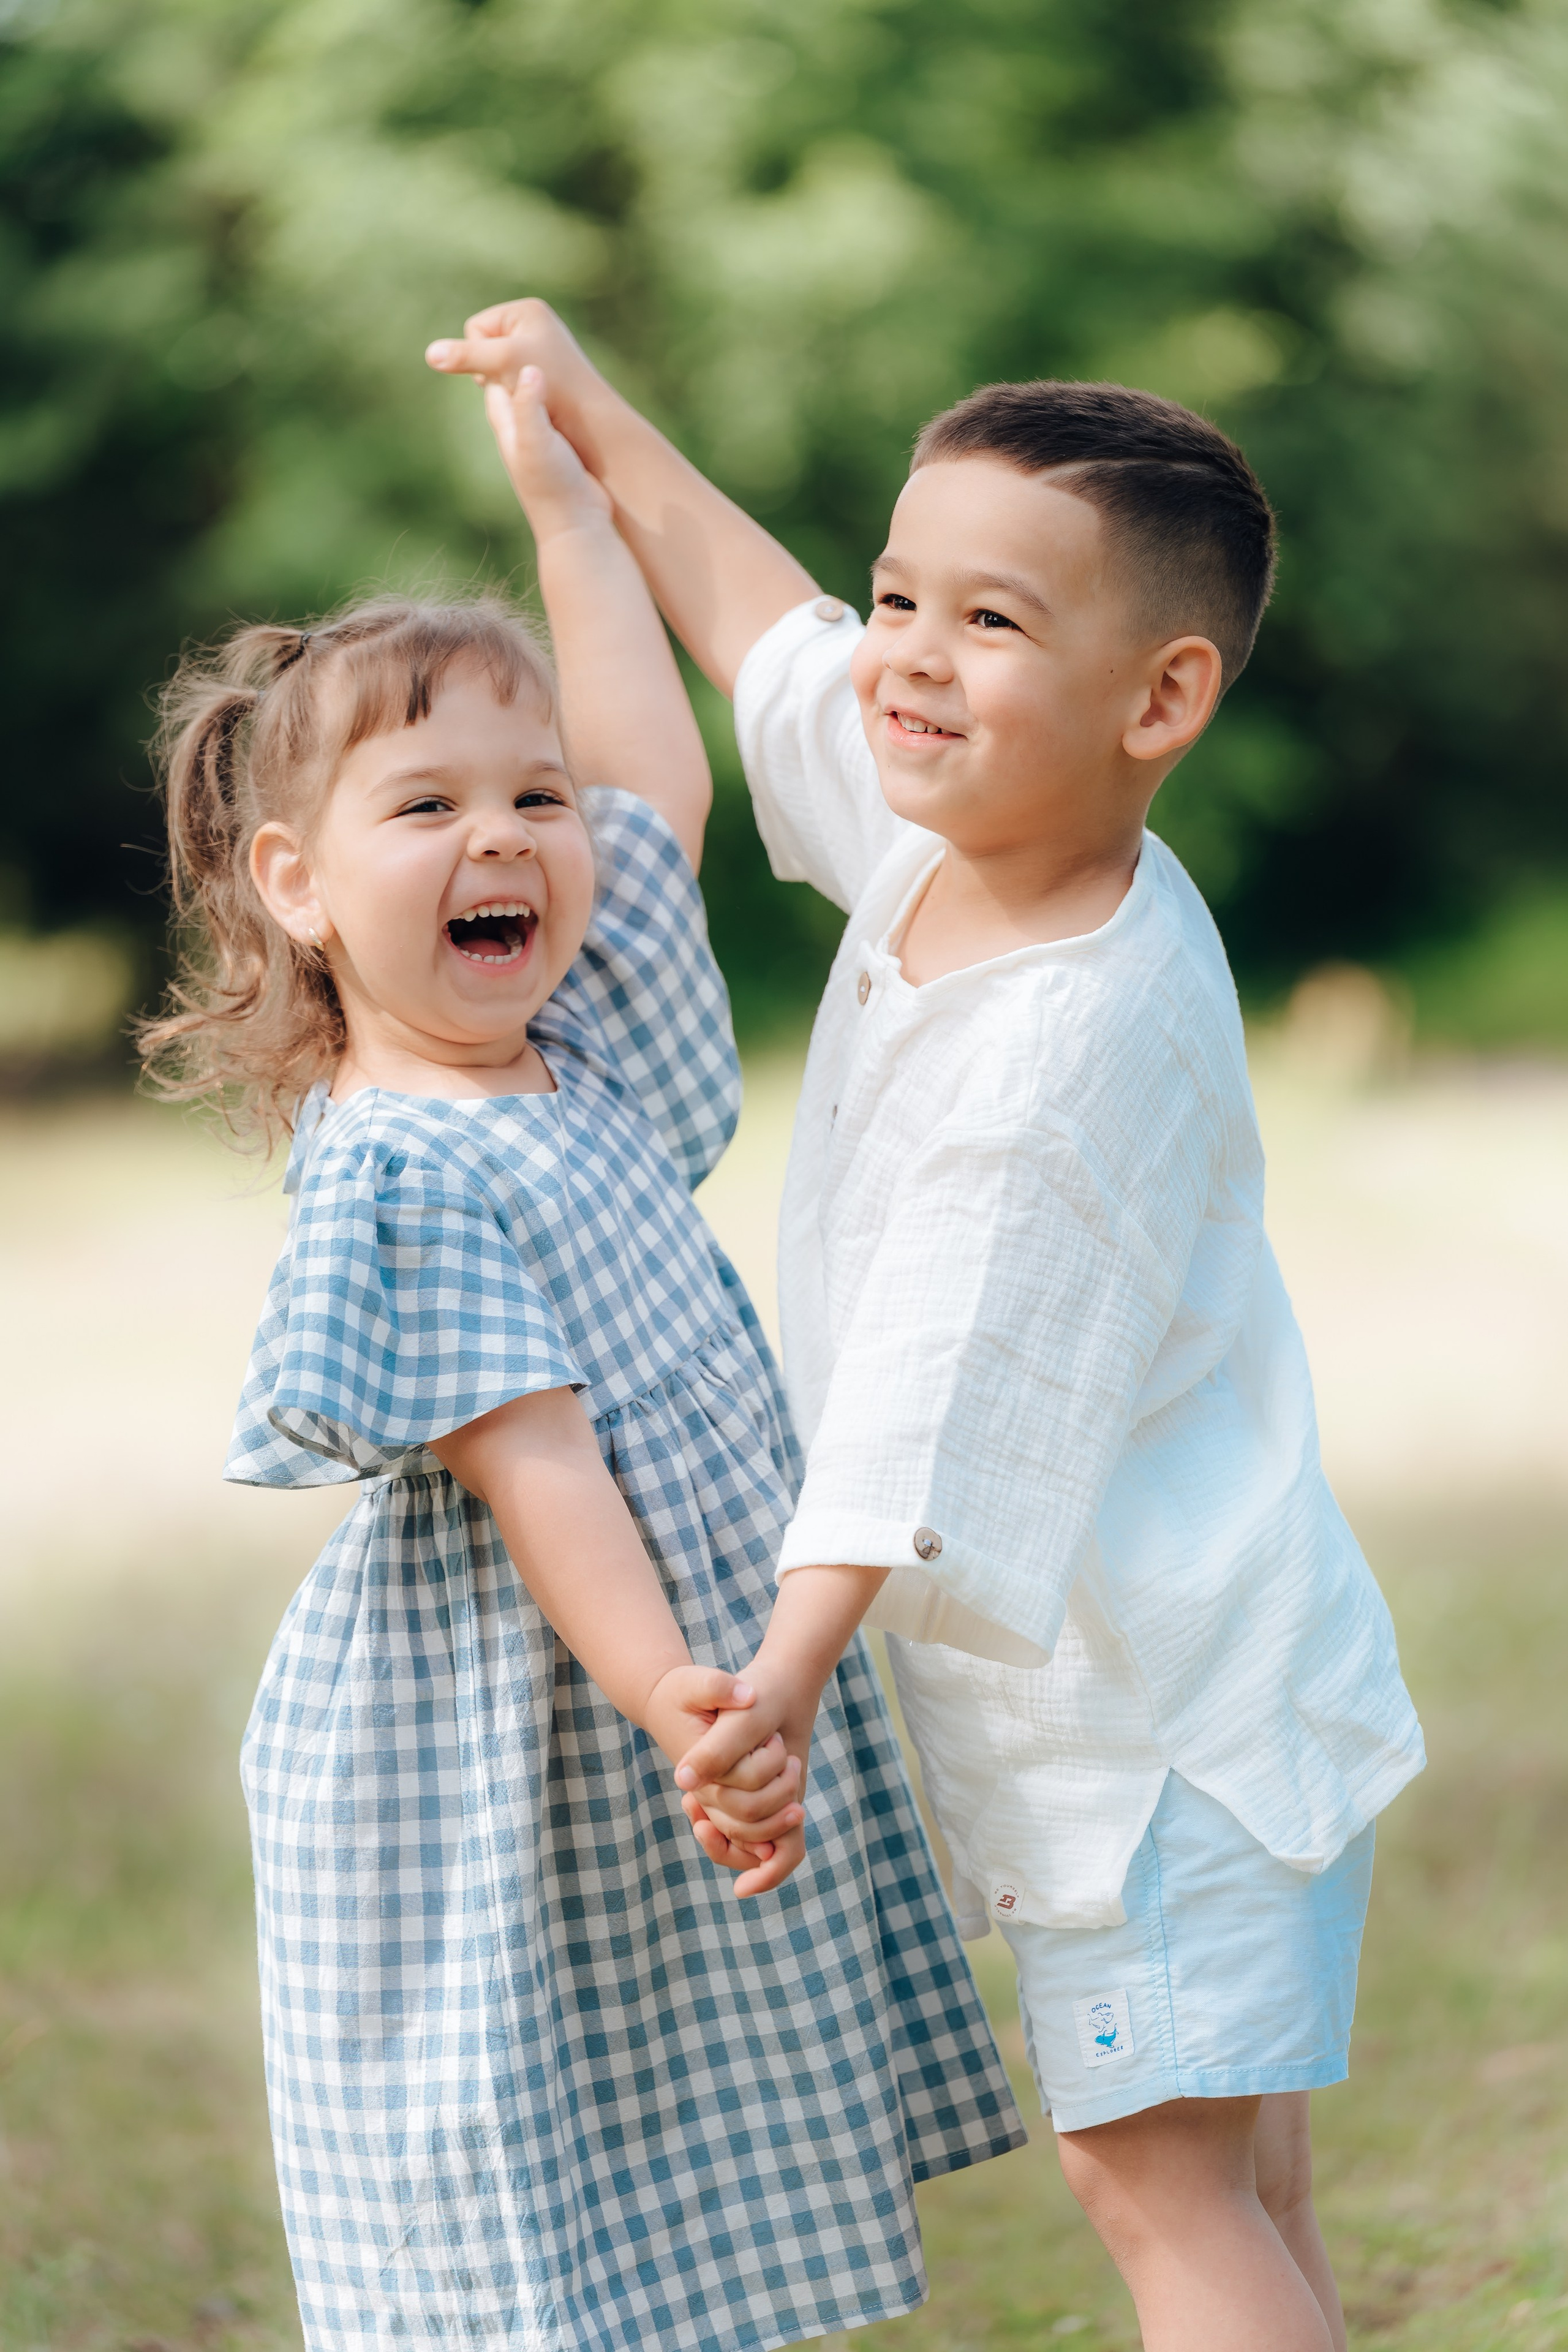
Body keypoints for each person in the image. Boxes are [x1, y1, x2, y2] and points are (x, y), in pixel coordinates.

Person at [427, 305, 1427, 2352]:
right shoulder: (964, 839)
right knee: (1233, 2186)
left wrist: (779, 1685)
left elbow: (919, 1402)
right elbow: (766, 633)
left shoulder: (1058, 1048)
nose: (904, 655)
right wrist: (593, 425)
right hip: (1221, 1679)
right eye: (904, 595)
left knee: (1162, 2192)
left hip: (1160, 1738)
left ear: (1162, 697)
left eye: (989, 620)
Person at [137, 363, 1023, 2352]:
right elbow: (538, 1464)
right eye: (427, 807)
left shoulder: (579, 1049)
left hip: (662, 1676)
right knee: (532, 2154)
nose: (511, 838)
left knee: (689, 2121)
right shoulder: (404, 1165)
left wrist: (566, 511)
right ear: (296, 884)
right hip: (525, 1715)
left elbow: (652, 783)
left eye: (526, 799)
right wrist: (673, 1695)